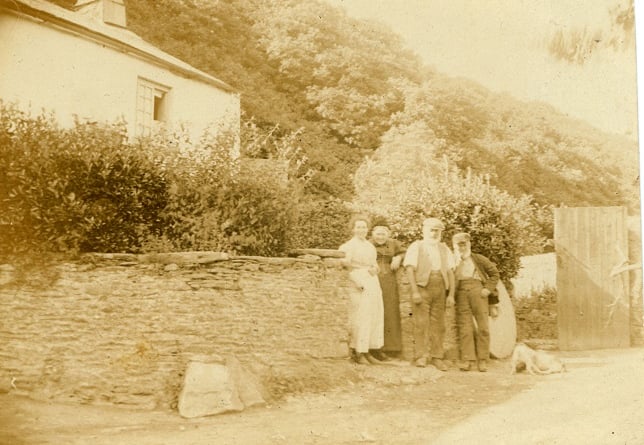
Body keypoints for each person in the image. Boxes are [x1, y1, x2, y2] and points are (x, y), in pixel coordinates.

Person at [403, 217, 455, 371]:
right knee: (420, 323)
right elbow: (410, 269)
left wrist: (451, 294)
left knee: (439, 325)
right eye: (431, 230)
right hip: (422, 287)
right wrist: (414, 291)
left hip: (440, 288)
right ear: (424, 230)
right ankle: (421, 356)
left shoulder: (444, 248)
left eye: (437, 231)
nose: (434, 234)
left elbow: (451, 272)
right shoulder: (417, 246)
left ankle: (437, 357)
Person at [339, 215, 385, 365]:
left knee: (373, 315)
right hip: (358, 281)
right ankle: (358, 352)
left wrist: (375, 269)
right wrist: (357, 281)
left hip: (372, 280)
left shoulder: (369, 246)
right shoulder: (348, 246)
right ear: (353, 229)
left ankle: (368, 350)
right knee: (360, 317)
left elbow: (373, 264)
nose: (361, 230)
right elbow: (345, 267)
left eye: (364, 227)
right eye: (358, 227)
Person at [452, 232, 500, 372]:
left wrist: (487, 289)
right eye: (457, 245)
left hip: (478, 292)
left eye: (463, 244)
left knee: (483, 326)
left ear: (469, 244)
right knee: (465, 327)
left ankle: (483, 359)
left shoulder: (478, 259)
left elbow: (494, 274)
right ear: (453, 246)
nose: (461, 247)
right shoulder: (452, 260)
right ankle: (467, 359)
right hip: (461, 293)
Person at [369, 219, 406, 360]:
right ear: (372, 234)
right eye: (377, 234)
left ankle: (392, 348)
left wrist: (398, 257)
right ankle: (373, 349)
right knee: (374, 313)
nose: (380, 237)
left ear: (388, 234)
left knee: (390, 312)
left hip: (389, 281)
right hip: (373, 279)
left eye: (383, 234)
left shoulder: (394, 244)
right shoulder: (368, 244)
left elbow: (405, 252)